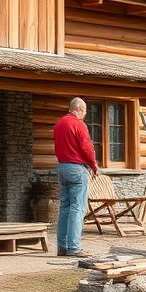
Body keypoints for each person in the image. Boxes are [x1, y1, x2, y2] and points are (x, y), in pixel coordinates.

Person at [53, 97, 98, 258]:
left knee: (64, 208)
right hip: (77, 169)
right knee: (77, 209)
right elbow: (87, 148)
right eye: (84, 111)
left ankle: (62, 247)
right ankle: (74, 247)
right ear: (79, 109)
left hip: (62, 167)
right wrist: (94, 166)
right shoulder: (79, 124)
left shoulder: (59, 125)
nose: (84, 115)